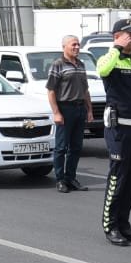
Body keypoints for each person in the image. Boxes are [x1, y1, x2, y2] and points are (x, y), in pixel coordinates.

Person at [96, 19, 131, 246]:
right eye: (129, 35)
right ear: (117, 36)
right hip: (120, 128)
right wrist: (117, 49)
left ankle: (124, 224)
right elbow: (103, 70)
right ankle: (110, 226)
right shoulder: (109, 58)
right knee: (117, 179)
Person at [46, 35, 91, 194]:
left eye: (78, 45)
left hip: (79, 108)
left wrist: (89, 110)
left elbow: (85, 90)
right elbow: (51, 91)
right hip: (65, 109)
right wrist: (57, 113)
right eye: (73, 45)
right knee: (61, 147)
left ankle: (71, 178)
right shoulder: (58, 65)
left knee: (76, 147)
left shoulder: (81, 64)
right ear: (64, 46)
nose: (77, 47)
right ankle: (60, 180)